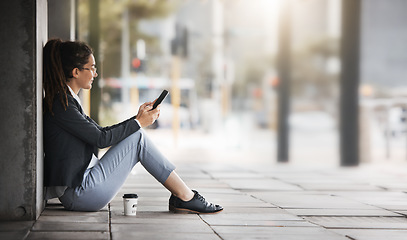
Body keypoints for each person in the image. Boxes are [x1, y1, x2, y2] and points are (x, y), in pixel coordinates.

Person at [43, 39, 223, 214]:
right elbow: (101, 139)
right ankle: (185, 196)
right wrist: (138, 123)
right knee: (138, 138)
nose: (95, 74)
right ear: (76, 72)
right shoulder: (62, 104)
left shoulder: (67, 100)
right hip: (80, 193)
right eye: (92, 68)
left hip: (82, 185)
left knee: (136, 135)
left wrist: (137, 119)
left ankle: (184, 195)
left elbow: (100, 133)